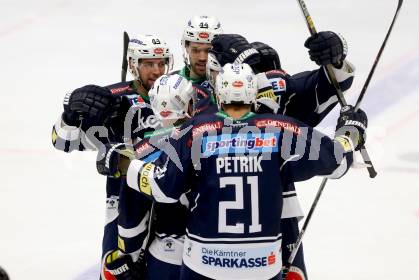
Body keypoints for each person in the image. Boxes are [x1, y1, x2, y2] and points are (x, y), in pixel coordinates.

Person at [123, 63, 368, 279]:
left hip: (203, 264)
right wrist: (350, 132)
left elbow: (161, 188)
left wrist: (124, 164)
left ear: (219, 95)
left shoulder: (195, 130)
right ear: (252, 94)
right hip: (262, 266)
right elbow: (338, 162)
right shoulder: (280, 128)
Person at [51, 34, 173, 278]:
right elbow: (62, 142)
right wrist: (71, 117)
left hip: (170, 201)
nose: (157, 70)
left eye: (161, 63)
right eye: (149, 63)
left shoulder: (181, 93)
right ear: (133, 65)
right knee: (115, 273)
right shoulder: (113, 99)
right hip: (121, 205)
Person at [97, 73, 194, 279]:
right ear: (190, 103)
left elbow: (132, 217)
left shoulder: (142, 151)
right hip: (212, 251)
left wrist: (128, 256)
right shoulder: (213, 137)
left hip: (167, 255)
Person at [207, 33, 356, 126]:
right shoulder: (193, 95)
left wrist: (335, 59)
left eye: (251, 70)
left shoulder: (274, 88)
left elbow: (334, 83)